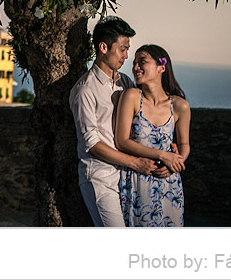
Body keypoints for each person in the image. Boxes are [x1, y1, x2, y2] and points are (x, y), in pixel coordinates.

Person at [69, 16, 169, 227]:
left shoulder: (125, 82)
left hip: (127, 178)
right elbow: (92, 144)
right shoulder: (85, 89)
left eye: (127, 49)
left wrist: (167, 146)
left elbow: (144, 120)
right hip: (100, 177)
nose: (126, 56)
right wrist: (135, 162)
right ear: (103, 47)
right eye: (122, 49)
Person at [115, 45, 191, 227]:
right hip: (137, 179)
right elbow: (122, 141)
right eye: (134, 63)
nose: (135, 67)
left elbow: (184, 144)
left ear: (161, 68)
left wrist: (175, 164)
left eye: (142, 62)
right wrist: (163, 155)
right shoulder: (131, 97)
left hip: (169, 183)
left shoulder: (180, 106)